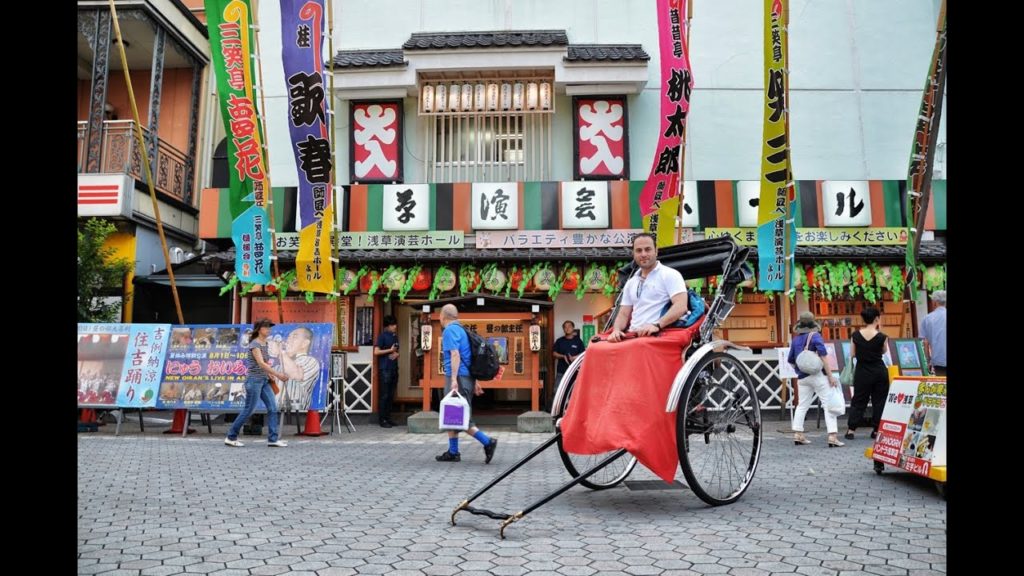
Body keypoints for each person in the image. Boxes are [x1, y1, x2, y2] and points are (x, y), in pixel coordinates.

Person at [435, 304, 498, 463]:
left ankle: (487, 442)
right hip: (466, 377)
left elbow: (455, 355)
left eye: (440, 316)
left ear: (443, 316)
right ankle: (453, 451)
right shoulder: (462, 330)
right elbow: (469, 358)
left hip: (458, 378)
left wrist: (454, 380)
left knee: (461, 416)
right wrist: (474, 381)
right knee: (452, 414)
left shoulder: (449, 330)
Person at [608, 233, 689, 343]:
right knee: (595, 348)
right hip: (633, 335)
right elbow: (623, 314)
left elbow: (681, 305)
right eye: (639, 250)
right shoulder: (631, 282)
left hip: (658, 334)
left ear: (656, 251)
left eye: (648, 249)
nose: (643, 254)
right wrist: (616, 330)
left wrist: (657, 324)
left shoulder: (670, 275)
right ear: (634, 254)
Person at [225, 318, 290, 448]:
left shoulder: (265, 343)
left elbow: (263, 364)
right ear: (259, 329)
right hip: (254, 381)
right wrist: (278, 375)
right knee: (249, 410)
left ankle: (273, 439)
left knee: (272, 408)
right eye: (266, 327)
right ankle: (231, 437)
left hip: (264, 380)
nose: (269, 329)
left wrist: (270, 374)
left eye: (270, 327)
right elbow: (260, 363)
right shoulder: (255, 344)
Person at [788, 311, 844, 448]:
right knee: (827, 403)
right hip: (817, 376)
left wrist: (799, 370)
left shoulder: (795, 340)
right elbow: (823, 356)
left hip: (802, 377)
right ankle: (832, 436)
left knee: (802, 405)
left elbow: (790, 360)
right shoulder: (816, 336)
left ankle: (798, 434)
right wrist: (830, 376)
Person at [845, 306, 889, 441]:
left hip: (862, 371)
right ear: (877, 319)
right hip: (879, 370)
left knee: (858, 400)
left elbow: (852, 354)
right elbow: (884, 352)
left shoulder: (855, 335)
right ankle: (876, 430)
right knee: (879, 401)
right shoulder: (882, 336)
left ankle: (851, 430)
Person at [270, 326, 321, 412]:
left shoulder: (311, 361)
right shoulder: (279, 365)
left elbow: (296, 374)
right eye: (288, 337)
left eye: (294, 337)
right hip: (274, 411)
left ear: (305, 343)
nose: (288, 341)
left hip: (298, 412)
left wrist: (280, 352)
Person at [374, 315, 400, 428]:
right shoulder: (382, 337)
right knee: (384, 395)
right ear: (388, 326)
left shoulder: (395, 336)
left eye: (395, 324)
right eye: (393, 325)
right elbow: (376, 352)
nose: (395, 326)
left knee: (390, 395)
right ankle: (382, 419)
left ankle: (388, 418)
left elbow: (396, 351)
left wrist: (397, 354)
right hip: (385, 369)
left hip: (394, 368)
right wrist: (390, 350)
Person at [919, 290, 946, 376]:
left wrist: (928, 361)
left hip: (938, 360)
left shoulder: (927, 319)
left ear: (934, 302)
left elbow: (925, 342)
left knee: (942, 385)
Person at [552, 320, 584, 386]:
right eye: (565, 327)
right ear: (563, 329)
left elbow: (583, 354)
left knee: (573, 392)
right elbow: (554, 353)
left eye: (569, 326)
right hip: (561, 371)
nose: (567, 328)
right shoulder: (559, 341)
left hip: (574, 371)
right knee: (557, 390)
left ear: (573, 328)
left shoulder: (578, 341)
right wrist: (563, 356)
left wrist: (574, 358)